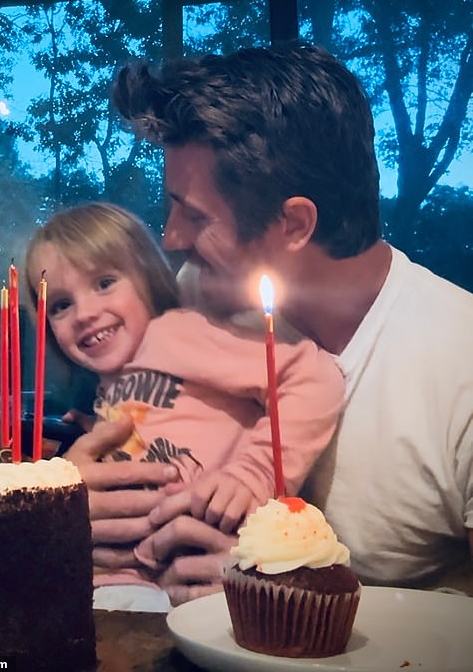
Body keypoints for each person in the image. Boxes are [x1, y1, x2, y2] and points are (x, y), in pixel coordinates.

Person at [66, 40, 473, 604]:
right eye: (172, 206)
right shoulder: (194, 297)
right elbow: (128, 415)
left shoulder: (459, 363)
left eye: (196, 215)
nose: (171, 240)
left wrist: (291, 592)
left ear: (294, 223)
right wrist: (69, 502)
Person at [25, 201, 345, 611]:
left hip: (217, 569)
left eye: (104, 283)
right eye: (61, 305)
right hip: (138, 577)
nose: (84, 314)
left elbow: (313, 375)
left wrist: (256, 472)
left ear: (147, 276)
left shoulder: (177, 333)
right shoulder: (108, 385)